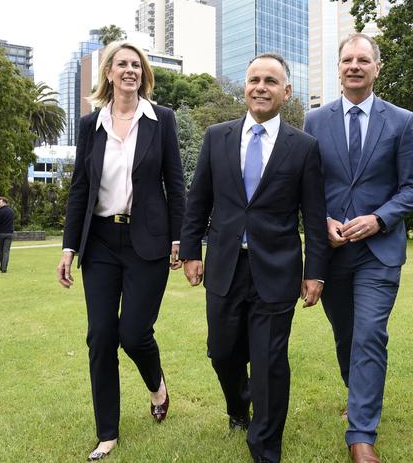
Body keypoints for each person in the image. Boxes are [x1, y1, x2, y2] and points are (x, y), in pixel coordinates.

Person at [180, 53, 329, 463]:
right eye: (253, 79)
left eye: (270, 81)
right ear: (245, 87)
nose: (260, 87)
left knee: (268, 361)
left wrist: (315, 271)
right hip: (225, 267)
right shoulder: (217, 137)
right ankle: (238, 405)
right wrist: (191, 251)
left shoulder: (303, 148)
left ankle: (264, 447)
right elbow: (199, 201)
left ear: (286, 91)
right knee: (223, 353)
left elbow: (314, 218)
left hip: (277, 271)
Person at [56, 41, 185, 461]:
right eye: (121, 64)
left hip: (147, 241)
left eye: (136, 64)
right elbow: (80, 189)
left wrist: (181, 238)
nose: (129, 70)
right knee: (100, 337)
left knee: (133, 334)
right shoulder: (91, 125)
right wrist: (69, 247)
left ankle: (156, 384)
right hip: (101, 243)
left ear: (142, 74)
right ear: (108, 73)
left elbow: (175, 183)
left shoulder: (160, 120)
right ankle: (107, 432)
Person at [303, 33, 413, 463]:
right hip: (332, 251)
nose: (354, 66)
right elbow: (307, 186)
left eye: (363, 60)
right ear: (338, 68)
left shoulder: (401, 120)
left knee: (371, 334)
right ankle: (360, 399)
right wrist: (323, 221)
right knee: (347, 337)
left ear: (377, 67)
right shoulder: (315, 121)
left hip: (380, 251)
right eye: (347, 60)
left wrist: (379, 218)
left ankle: (361, 436)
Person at [0, 196, 14, 273]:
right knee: (6, 251)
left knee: (1, 251)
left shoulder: (0, 212)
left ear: (4, 202)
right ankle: (4, 267)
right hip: (9, 234)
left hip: (0, 234)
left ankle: (2, 266)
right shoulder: (11, 211)